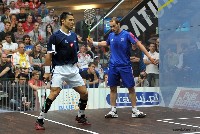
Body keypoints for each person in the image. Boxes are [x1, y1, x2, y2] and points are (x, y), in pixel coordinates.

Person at [87, 17, 156, 118]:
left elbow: (139, 44)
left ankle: (134, 111)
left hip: (125, 67)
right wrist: (93, 43)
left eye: (114, 26)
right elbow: (106, 43)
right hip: (113, 66)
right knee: (112, 88)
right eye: (110, 27)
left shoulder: (127, 34)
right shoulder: (111, 35)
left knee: (131, 88)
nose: (112, 28)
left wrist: (149, 56)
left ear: (119, 24)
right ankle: (113, 111)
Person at [35, 12, 90, 130]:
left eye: (73, 20)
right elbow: (49, 56)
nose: (72, 22)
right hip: (59, 69)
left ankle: (80, 115)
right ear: (63, 21)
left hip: (72, 69)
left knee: (84, 93)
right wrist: (47, 72)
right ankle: (40, 119)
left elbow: (74, 51)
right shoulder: (55, 37)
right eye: (70, 20)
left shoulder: (74, 35)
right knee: (54, 93)